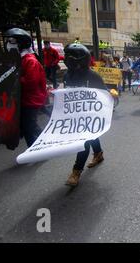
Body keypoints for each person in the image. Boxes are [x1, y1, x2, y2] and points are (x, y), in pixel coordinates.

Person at [63, 43, 107, 187]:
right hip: (74, 116)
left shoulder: (93, 76)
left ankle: (76, 171)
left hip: (90, 115)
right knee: (92, 136)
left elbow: (104, 93)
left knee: (84, 142)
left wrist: (111, 95)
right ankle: (99, 153)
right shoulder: (67, 75)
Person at [5, 28, 47, 147]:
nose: (9, 44)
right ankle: (40, 145)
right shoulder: (19, 59)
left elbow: (31, 82)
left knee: (29, 127)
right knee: (28, 125)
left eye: (12, 41)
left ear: (21, 43)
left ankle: (38, 149)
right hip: (23, 100)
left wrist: (14, 80)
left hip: (31, 100)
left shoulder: (30, 61)